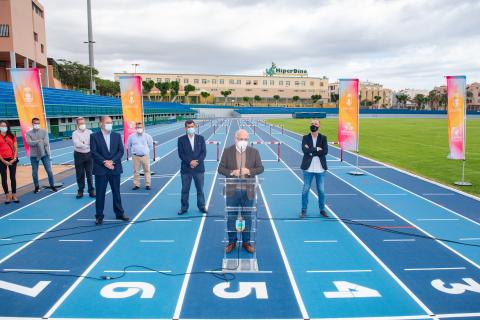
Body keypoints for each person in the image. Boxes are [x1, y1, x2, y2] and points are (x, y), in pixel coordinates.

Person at [218, 129, 264, 254]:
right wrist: (232, 172)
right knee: (231, 216)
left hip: (248, 190)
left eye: (245, 139)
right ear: (235, 139)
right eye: (241, 139)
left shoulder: (254, 152)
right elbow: (220, 169)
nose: (243, 141)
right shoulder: (227, 151)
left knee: (247, 217)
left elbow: (260, 168)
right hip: (232, 190)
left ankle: (246, 242)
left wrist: (249, 171)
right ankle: (231, 241)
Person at [90, 116, 129, 225]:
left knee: (116, 192)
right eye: (107, 122)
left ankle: (119, 213)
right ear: (101, 124)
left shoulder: (116, 136)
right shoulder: (94, 136)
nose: (109, 124)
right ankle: (99, 216)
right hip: (101, 170)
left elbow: (121, 151)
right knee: (100, 194)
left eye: (111, 122)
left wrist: (112, 161)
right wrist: (104, 162)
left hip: (114, 168)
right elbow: (93, 152)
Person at [300, 119, 329, 218]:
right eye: (312, 124)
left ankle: (322, 210)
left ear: (319, 126)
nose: (314, 125)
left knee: (321, 190)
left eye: (316, 124)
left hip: (320, 169)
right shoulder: (305, 138)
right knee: (305, 190)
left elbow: (325, 151)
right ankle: (303, 210)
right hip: (308, 168)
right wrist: (316, 149)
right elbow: (305, 150)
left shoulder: (323, 138)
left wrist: (311, 151)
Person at [177, 120, 207, 214]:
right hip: (186, 169)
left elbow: (203, 153)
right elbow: (181, 154)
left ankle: (202, 206)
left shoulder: (201, 138)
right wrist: (190, 162)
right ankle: (184, 208)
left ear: (195, 126)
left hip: (199, 169)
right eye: (189, 127)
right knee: (185, 190)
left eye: (192, 126)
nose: (191, 128)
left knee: (200, 190)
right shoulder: (181, 140)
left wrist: (196, 162)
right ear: (185, 128)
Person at [26, 117, 57, 193]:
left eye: (38, 123)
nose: (37, 124)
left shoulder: (44, 131)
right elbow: (29, 143)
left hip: (44, 154)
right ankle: (36, 187)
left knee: (49, 171)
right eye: (35, 123)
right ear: (32, 124)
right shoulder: (28, 133)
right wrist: (39, 141)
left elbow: (46, 142)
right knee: (34, 172)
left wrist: (36, 142)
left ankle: (52, 185)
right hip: (34, 155)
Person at [72, 117, 95, 198]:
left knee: (89, 174)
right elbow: (77, 144)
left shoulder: (90, 132)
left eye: (83, 123)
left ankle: (91, 191)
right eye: (81, 123)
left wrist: (84, 144)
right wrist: (87, 145)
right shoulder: (74, 133)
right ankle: (80, 191)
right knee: (80, 174)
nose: (83, 125)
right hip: (79, 155)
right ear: (77, 124)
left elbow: (93, 142)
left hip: (89, 155)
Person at [128, 122, 153, 191]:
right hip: (135, 156)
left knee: (147, 170)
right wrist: (135, 152)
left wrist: (145, 151)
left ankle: (148, 184)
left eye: (140, 127)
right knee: (136, 171)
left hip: (145, 156)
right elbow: (129, 146)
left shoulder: (148, 136)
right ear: (135, 128)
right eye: (138, 127)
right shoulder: (131, 137)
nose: (139, 129)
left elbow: (150, 145)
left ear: (143, 128)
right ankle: (136, 185)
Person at [0, 120, 19, 204]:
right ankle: (7, 195)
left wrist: (14, 158)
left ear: (7, 127)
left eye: (5, 126)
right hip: (1, 160)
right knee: (4, 178)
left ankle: (14, 195)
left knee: (12, 178)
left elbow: (16, 148)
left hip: (12, 159)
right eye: (1, 125)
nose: (3, 127)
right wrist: (4, 161)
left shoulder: (12, 135)